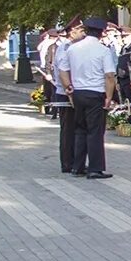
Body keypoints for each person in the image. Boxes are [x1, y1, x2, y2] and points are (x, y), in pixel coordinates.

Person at [60, 17, 116, 179]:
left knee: (80, 130)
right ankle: (95, 168)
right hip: (95, 92)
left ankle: (77, 166)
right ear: (101, 33)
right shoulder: (103, 50)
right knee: (95, 131)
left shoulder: (72, 49)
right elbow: (109, 76)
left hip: (78, 93)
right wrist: (109, 96)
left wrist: (68, 87)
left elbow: (63, 70)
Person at [53, 17, 83, 172]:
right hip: (66, 92)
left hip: (74, 92)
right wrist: (70, 90)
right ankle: (67, 163)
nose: (84, 33)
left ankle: (74, 161)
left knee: (77, 128)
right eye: (81, 30)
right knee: (69, 129)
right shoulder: (65, 48)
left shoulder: (74, 47)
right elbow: (65, 72)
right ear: (73, 31)